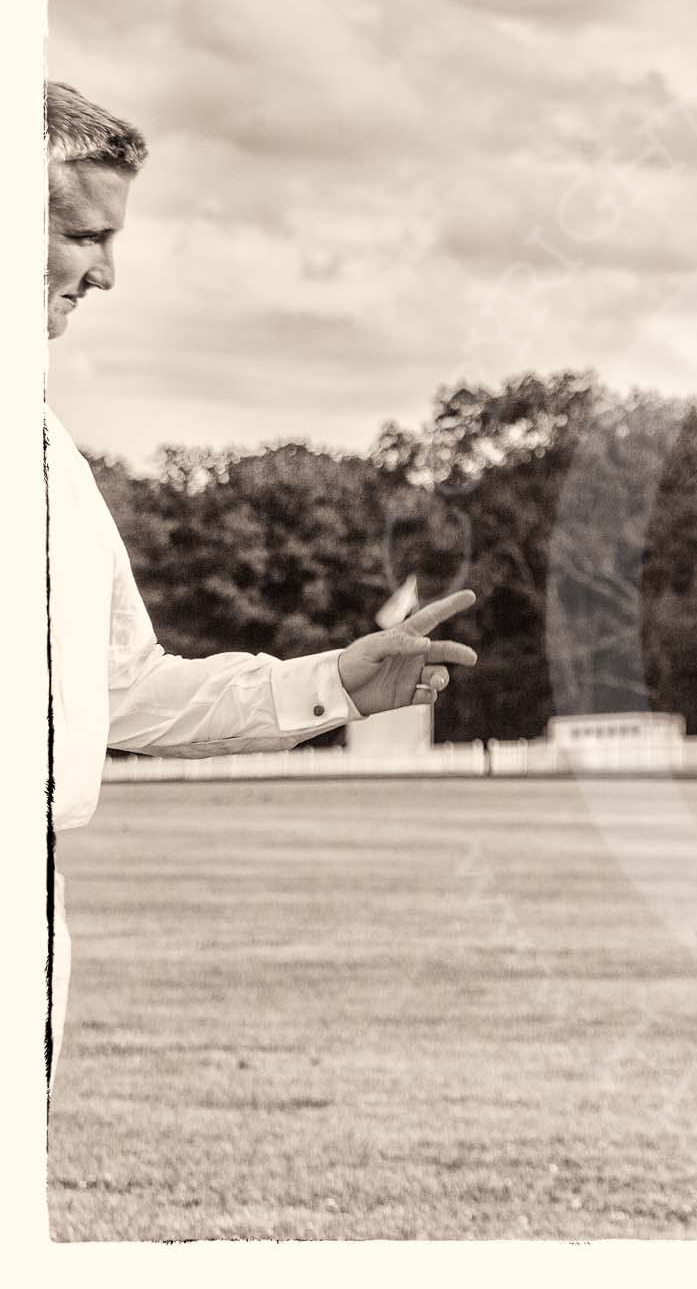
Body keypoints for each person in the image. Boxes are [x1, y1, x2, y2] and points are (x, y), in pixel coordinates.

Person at [43, 80, 481, 1073]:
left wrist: (333, 684)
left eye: (114, 240)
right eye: (79, 234)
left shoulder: (51, 462)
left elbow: (121, 693)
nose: (106, 273)